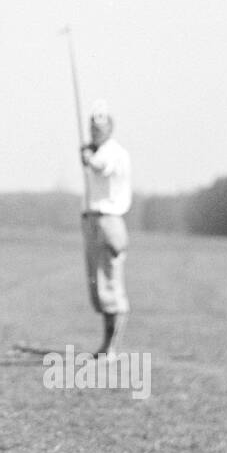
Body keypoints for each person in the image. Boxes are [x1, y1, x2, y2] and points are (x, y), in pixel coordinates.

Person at [79, 102, 131, 358]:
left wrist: (89, 157)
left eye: (99, 127)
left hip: (108, 222)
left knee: (110, 285)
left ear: (110, 128)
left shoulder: (112, 152)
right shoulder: (99, 150)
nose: (95, 131)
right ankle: (106, 345)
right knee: (99, 286)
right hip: (93, 221)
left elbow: (101, 166)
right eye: (92, 127)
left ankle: (111, 348)